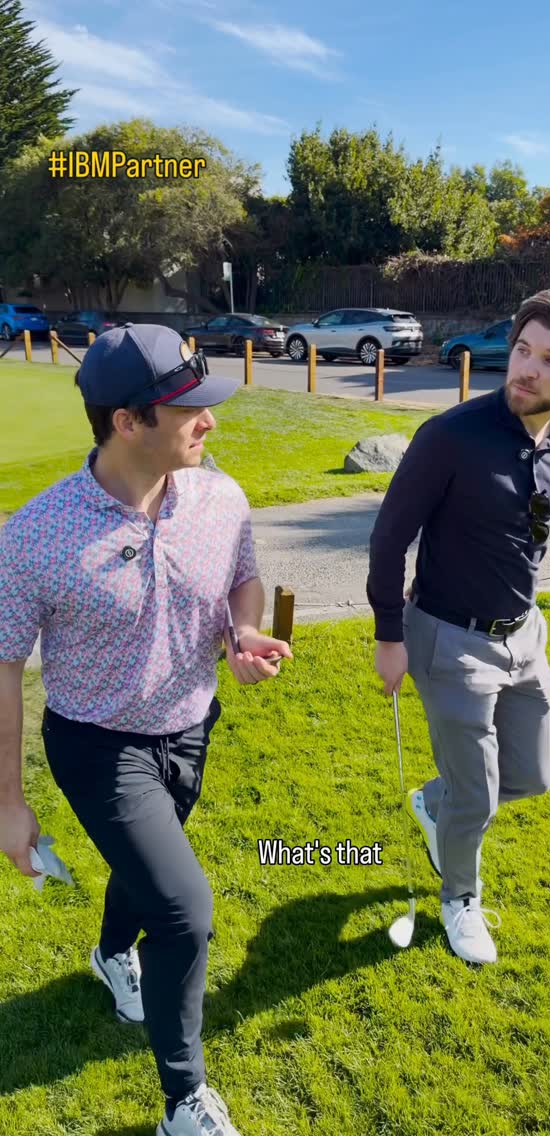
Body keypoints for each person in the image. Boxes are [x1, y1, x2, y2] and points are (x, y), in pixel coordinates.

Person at [0, 324, 293, 1136]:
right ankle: (183, 1100)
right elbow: (4, 666)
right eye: (190, 410)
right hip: (96, 745)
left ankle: (109, 954)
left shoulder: (219, 495)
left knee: (145, 873)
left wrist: (242, 633)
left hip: (192, 725)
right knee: (183, 911)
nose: (210, 422)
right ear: (127, 422)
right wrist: (9, 803)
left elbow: (243, 576)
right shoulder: (34, 535)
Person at [367, 288, 550, 965]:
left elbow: (529, 534)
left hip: (525, 635)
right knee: (477, 800)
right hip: (448, 639)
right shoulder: (450, 437)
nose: (527, 368)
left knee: (533, 776)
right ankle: (460, 899)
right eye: (523, 350)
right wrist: (390, 635)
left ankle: (437, 802)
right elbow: (389, 539)